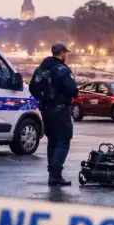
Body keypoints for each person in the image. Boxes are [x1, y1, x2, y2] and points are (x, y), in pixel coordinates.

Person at [33, 43, 79, 186]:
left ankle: (52, 174)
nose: (67, 56)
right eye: (66, 53)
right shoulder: (63, 70)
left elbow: (32, 87)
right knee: (63, 140)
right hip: (60, 110)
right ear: (62, 53)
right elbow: (73, 90)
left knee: (52, 140)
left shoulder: (41, 68)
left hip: (46, 110)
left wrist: (43, 99)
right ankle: (56, 174)